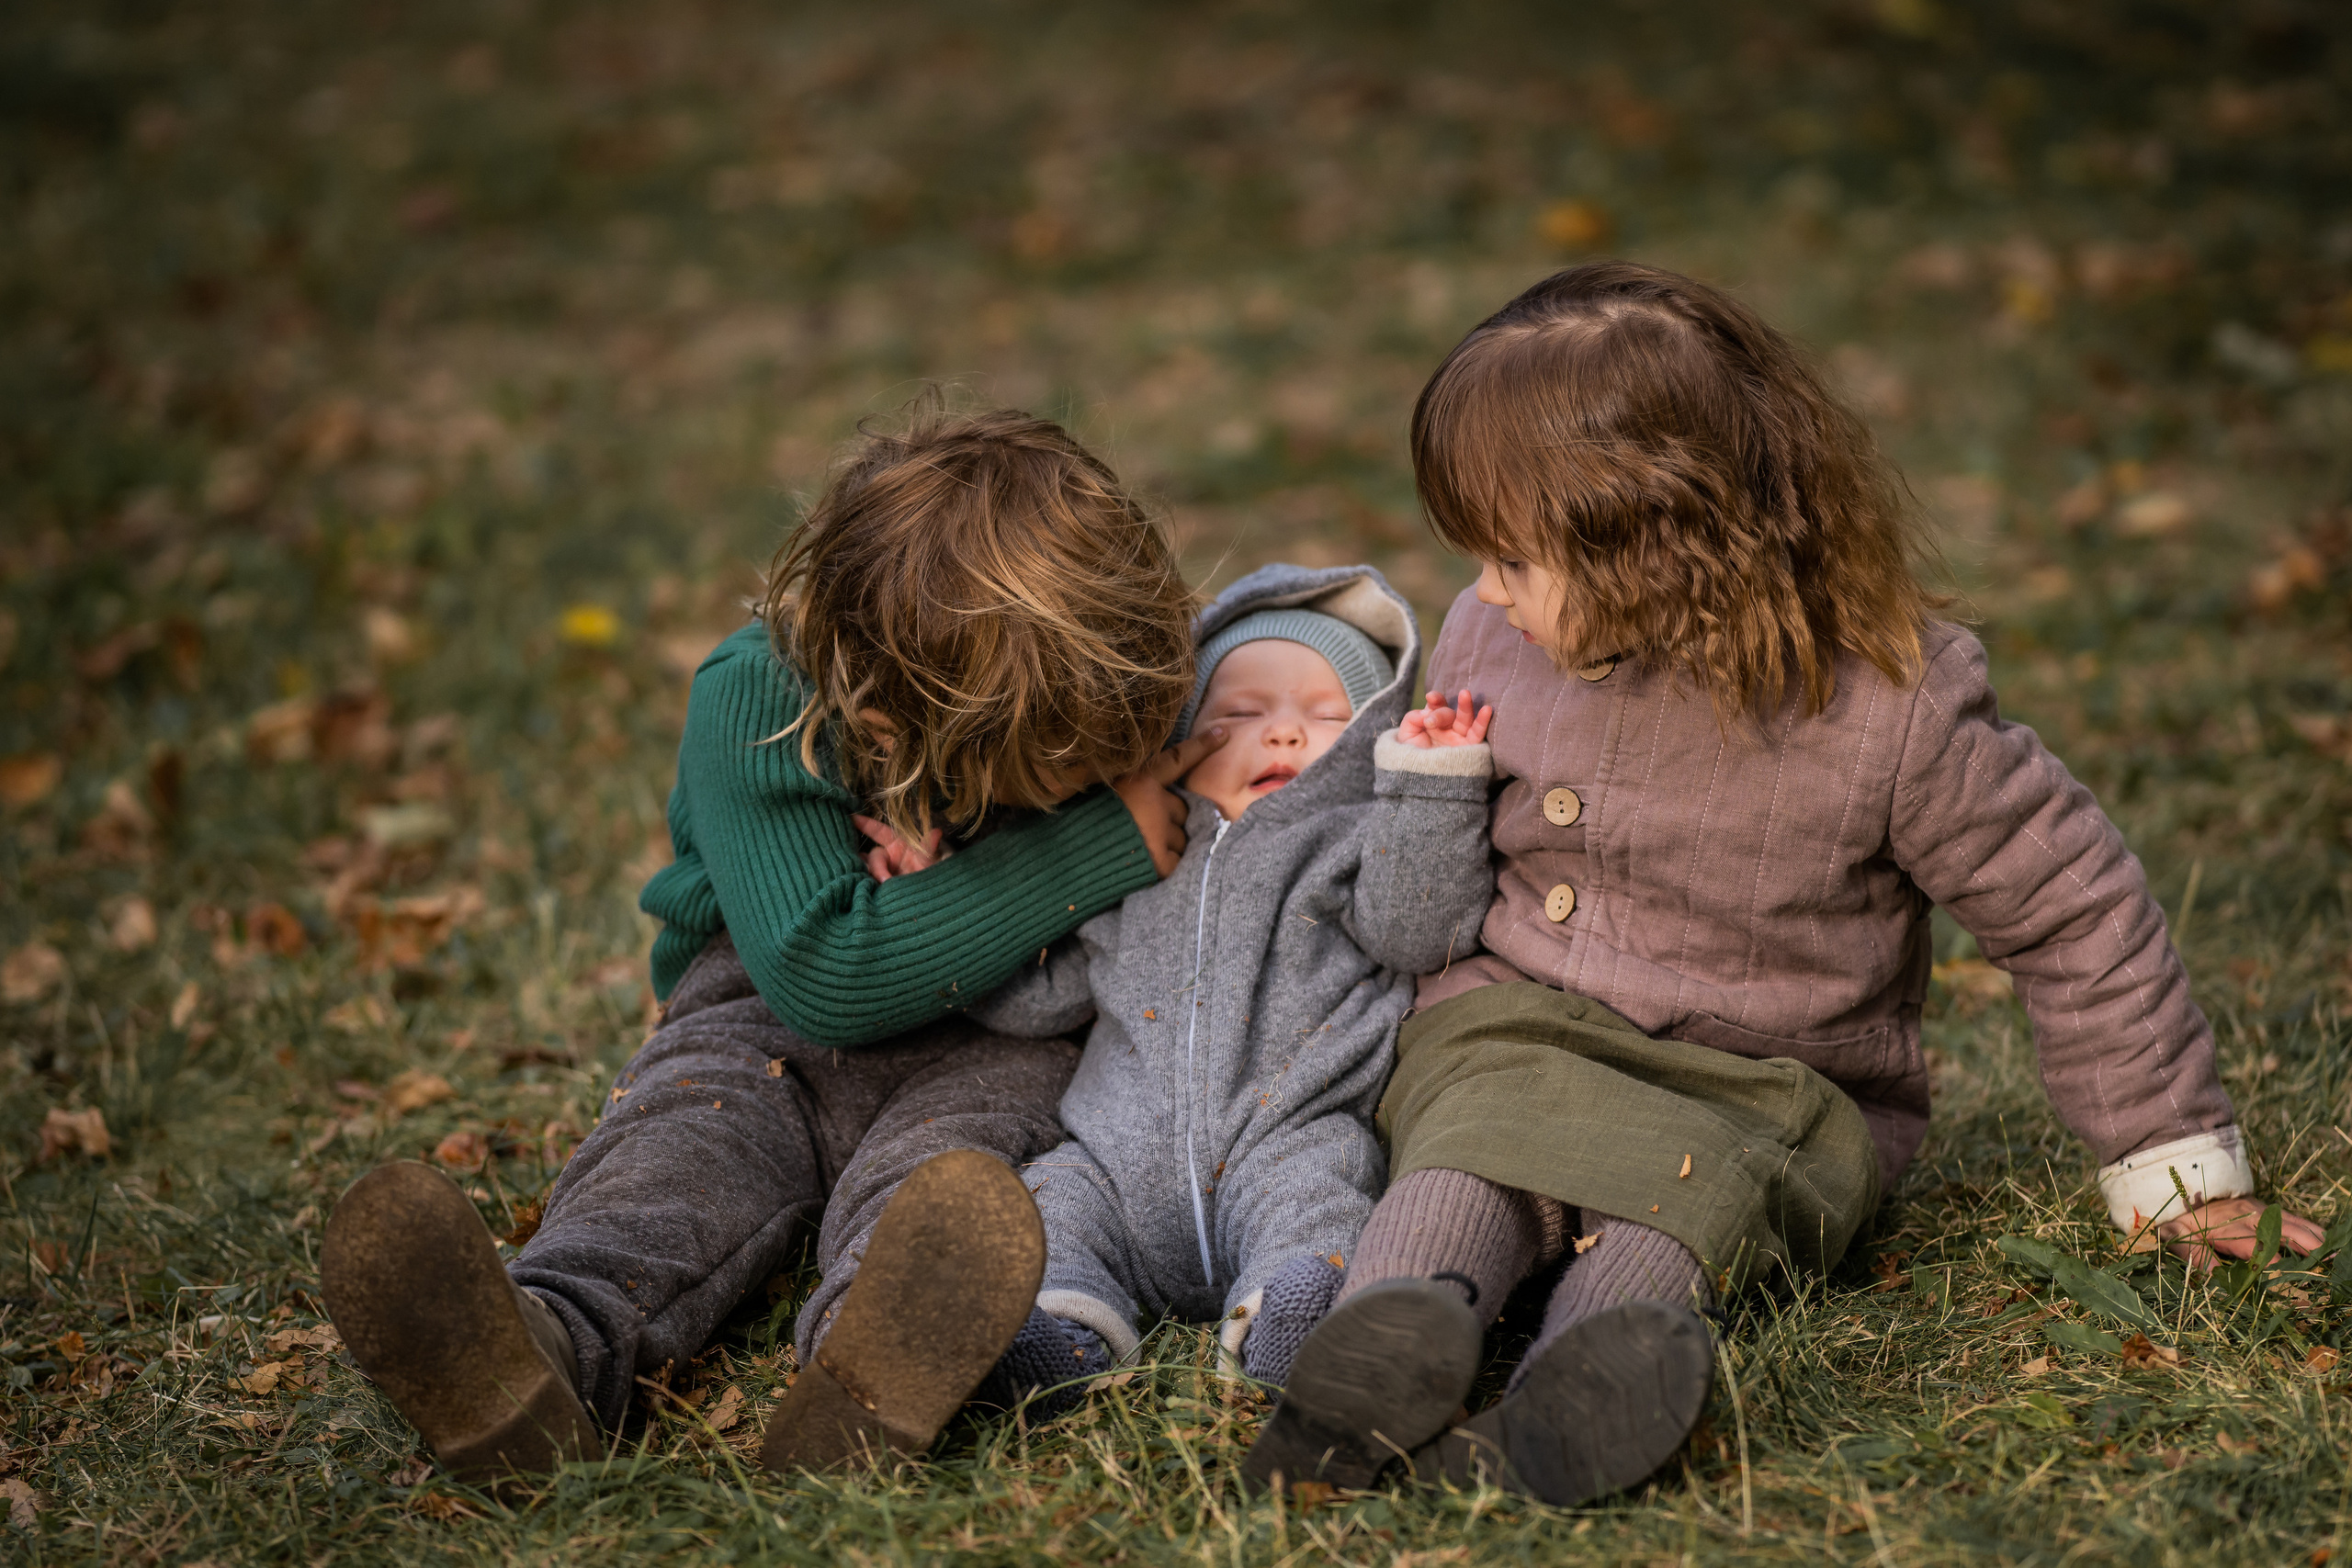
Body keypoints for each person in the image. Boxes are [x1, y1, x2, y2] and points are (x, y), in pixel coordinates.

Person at [1242, 261, 2323, 1505]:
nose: (1481, 593)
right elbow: (1419, 906)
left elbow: (2072, 907)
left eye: (1512, 560)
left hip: (1762, 1086)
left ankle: (1577, 1396)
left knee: (1678, 1215)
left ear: (1653, 543)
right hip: (1512, 1032)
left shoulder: (1890, 712)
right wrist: (1427, 788)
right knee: (1461, 1162)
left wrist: (2175, 1173)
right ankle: (1376, 1356)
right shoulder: (1501, 641)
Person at [321, 396, 1223, 1483]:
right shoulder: (755, 696)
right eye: (1066, 775)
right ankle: (537, 1352)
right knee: (683, 1152)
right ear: (894, 725)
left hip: (1008, 1035)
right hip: (762, 1023)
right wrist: (1093, 848)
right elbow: (825, 976)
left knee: (947, 1195)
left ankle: (866, 1378)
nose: (1108, 771)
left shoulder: (1083, 679)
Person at [930, 563, 1496, 1419]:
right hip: (1115, 1158)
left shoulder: (1352, 840)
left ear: (1368, 739)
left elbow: (1418, 930)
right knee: (1051, 1210)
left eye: (1326, 718)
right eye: (1237, 716)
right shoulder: (1138, 858)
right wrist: (948, 896)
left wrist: (1429, 791)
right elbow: (1038, 1000)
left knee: (1326, 1208)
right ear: (1180, 738)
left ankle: (1295, 1324)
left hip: (1289, 1134)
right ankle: (1058, 1340)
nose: (1279, 736)